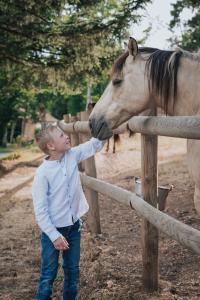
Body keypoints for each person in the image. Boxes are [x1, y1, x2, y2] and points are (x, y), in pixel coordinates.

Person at [32, 123, 105, 300]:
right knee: (49, 273)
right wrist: (54, 235)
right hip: (53, 231)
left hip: (73, 228)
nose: (66, 136)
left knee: (72, 271)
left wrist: (103, 133)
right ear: (51, 146)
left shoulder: (71, 156)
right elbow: (40, 210)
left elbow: (92, 146)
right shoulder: (42, 174)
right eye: (61, 135)